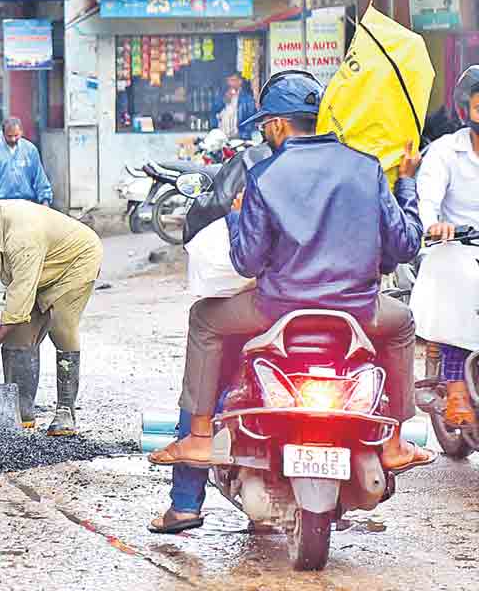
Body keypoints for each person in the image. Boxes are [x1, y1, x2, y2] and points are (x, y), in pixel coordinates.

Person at [146, 70, 434, 534]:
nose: (265, 132)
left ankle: (199, 438)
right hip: (360, 314)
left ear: (278, 125)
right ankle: (396, 439)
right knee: (403, 324)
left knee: (204, 320)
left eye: (265, 125)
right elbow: (403, 247)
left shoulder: (264, 175)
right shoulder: (364, 168)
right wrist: (406, 184)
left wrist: (239, 218)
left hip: (278, 313)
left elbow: (245, 260)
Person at [0, 200, 103, 436]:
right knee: (18, 335)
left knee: (61, 326)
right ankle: (20, 411)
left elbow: (19, 296)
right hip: (37, 268)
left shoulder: (22, 237)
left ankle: (65, 411)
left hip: (73, 263)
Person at [411, 65, 479, 427]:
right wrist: (434, 224)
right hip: (456, 245)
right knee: (461, 277)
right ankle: (455, 387)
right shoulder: (443, 152)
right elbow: (427, 201)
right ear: (465, 111)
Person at [0, 117, 52, 205]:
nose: (13, 139)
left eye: (16, 135)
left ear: (21, 132)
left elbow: (39, 177)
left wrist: (45, 199)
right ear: (3, 133)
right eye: (9, 136)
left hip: (25, 203)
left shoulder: (30, 150)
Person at [212, 72, 258, 140]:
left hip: (240, 139)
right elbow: (214, 112)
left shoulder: (247, 99)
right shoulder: (221, 96)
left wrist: (244, 135)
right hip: (222, 138)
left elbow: (251, 119)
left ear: (240, 82)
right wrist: (224, 100)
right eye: (228, 80)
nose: (230, 83)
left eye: (233, 80)